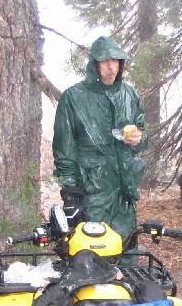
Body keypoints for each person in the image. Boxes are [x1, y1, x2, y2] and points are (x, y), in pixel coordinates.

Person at [53, 36, 147, 243]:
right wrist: (70, 194)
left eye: (115, 61)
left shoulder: (129, 95)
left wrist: (138, 138)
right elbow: (64, 149)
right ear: (94, 64)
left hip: (125, 192)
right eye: (105, 61)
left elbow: (143, 135)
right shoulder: (74, 97)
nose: (111, 67)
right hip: (92, 192)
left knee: (127, 251)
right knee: (94, 252)